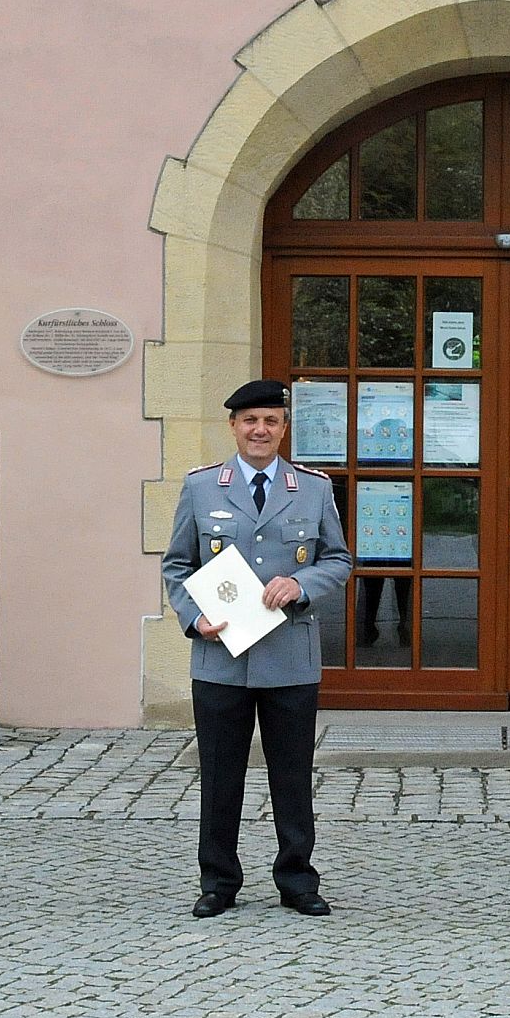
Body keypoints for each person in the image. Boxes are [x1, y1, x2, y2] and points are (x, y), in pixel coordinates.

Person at [162, 378, 352, 918]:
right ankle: (219, 880)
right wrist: (193, 616)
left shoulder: (312, 488)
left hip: (290, 655)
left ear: (284, 428)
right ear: (233, 427)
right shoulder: (201, 487)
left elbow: (337, 559)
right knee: (221, 774)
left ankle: (297, 879)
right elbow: (177, 565)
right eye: (250, 421)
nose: (260, 430)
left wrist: (301, 585)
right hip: (220, 658)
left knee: (291, 774)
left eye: (270, 421)